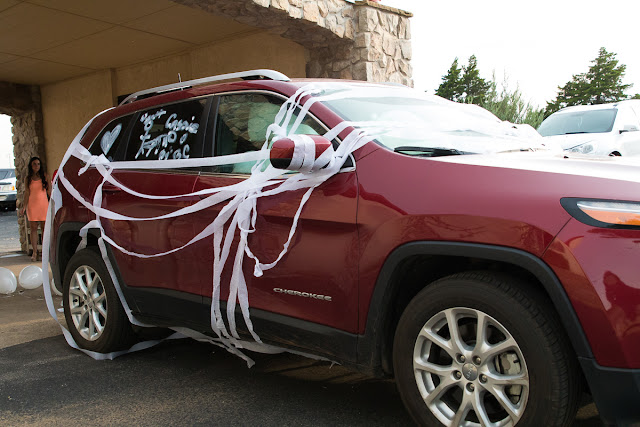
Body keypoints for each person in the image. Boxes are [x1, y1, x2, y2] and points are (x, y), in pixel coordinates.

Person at [19, 157, 50, 261]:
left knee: (44, 229)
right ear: (31, 166)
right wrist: (24, 206)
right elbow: (27, 193)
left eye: (38, 164)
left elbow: (49, 191)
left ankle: (45, 253)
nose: (37, 166)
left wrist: (52, 203)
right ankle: (35, 253)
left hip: (43, 205)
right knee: (33, 229)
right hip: (32, 205)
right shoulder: (28, 178)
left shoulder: (45, 175)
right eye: (34, 164)